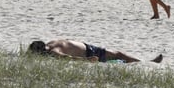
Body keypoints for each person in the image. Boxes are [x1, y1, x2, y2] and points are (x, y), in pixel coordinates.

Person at [27, 39, 161, 64]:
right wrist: (87, 60)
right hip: (90, 53)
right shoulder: (54, 50)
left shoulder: (50, 45)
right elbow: (68, 58)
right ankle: (146, 62)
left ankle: (142, 61)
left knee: (118, 55)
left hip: (88, 47)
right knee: (119, 55)